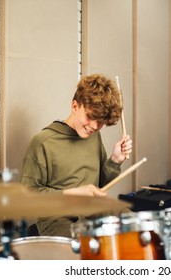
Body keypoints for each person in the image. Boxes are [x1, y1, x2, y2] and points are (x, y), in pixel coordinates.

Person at [20, 73, 132, 237]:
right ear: (74, 106)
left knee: (135, 223)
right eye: (90, 117)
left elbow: (100, 186)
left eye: (100, 121)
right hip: (58, 217)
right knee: (83, 246)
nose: (94, 126)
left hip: (94, 209)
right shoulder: (43, 142)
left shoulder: (94, 136)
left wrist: (115, 161)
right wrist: (72, 194)